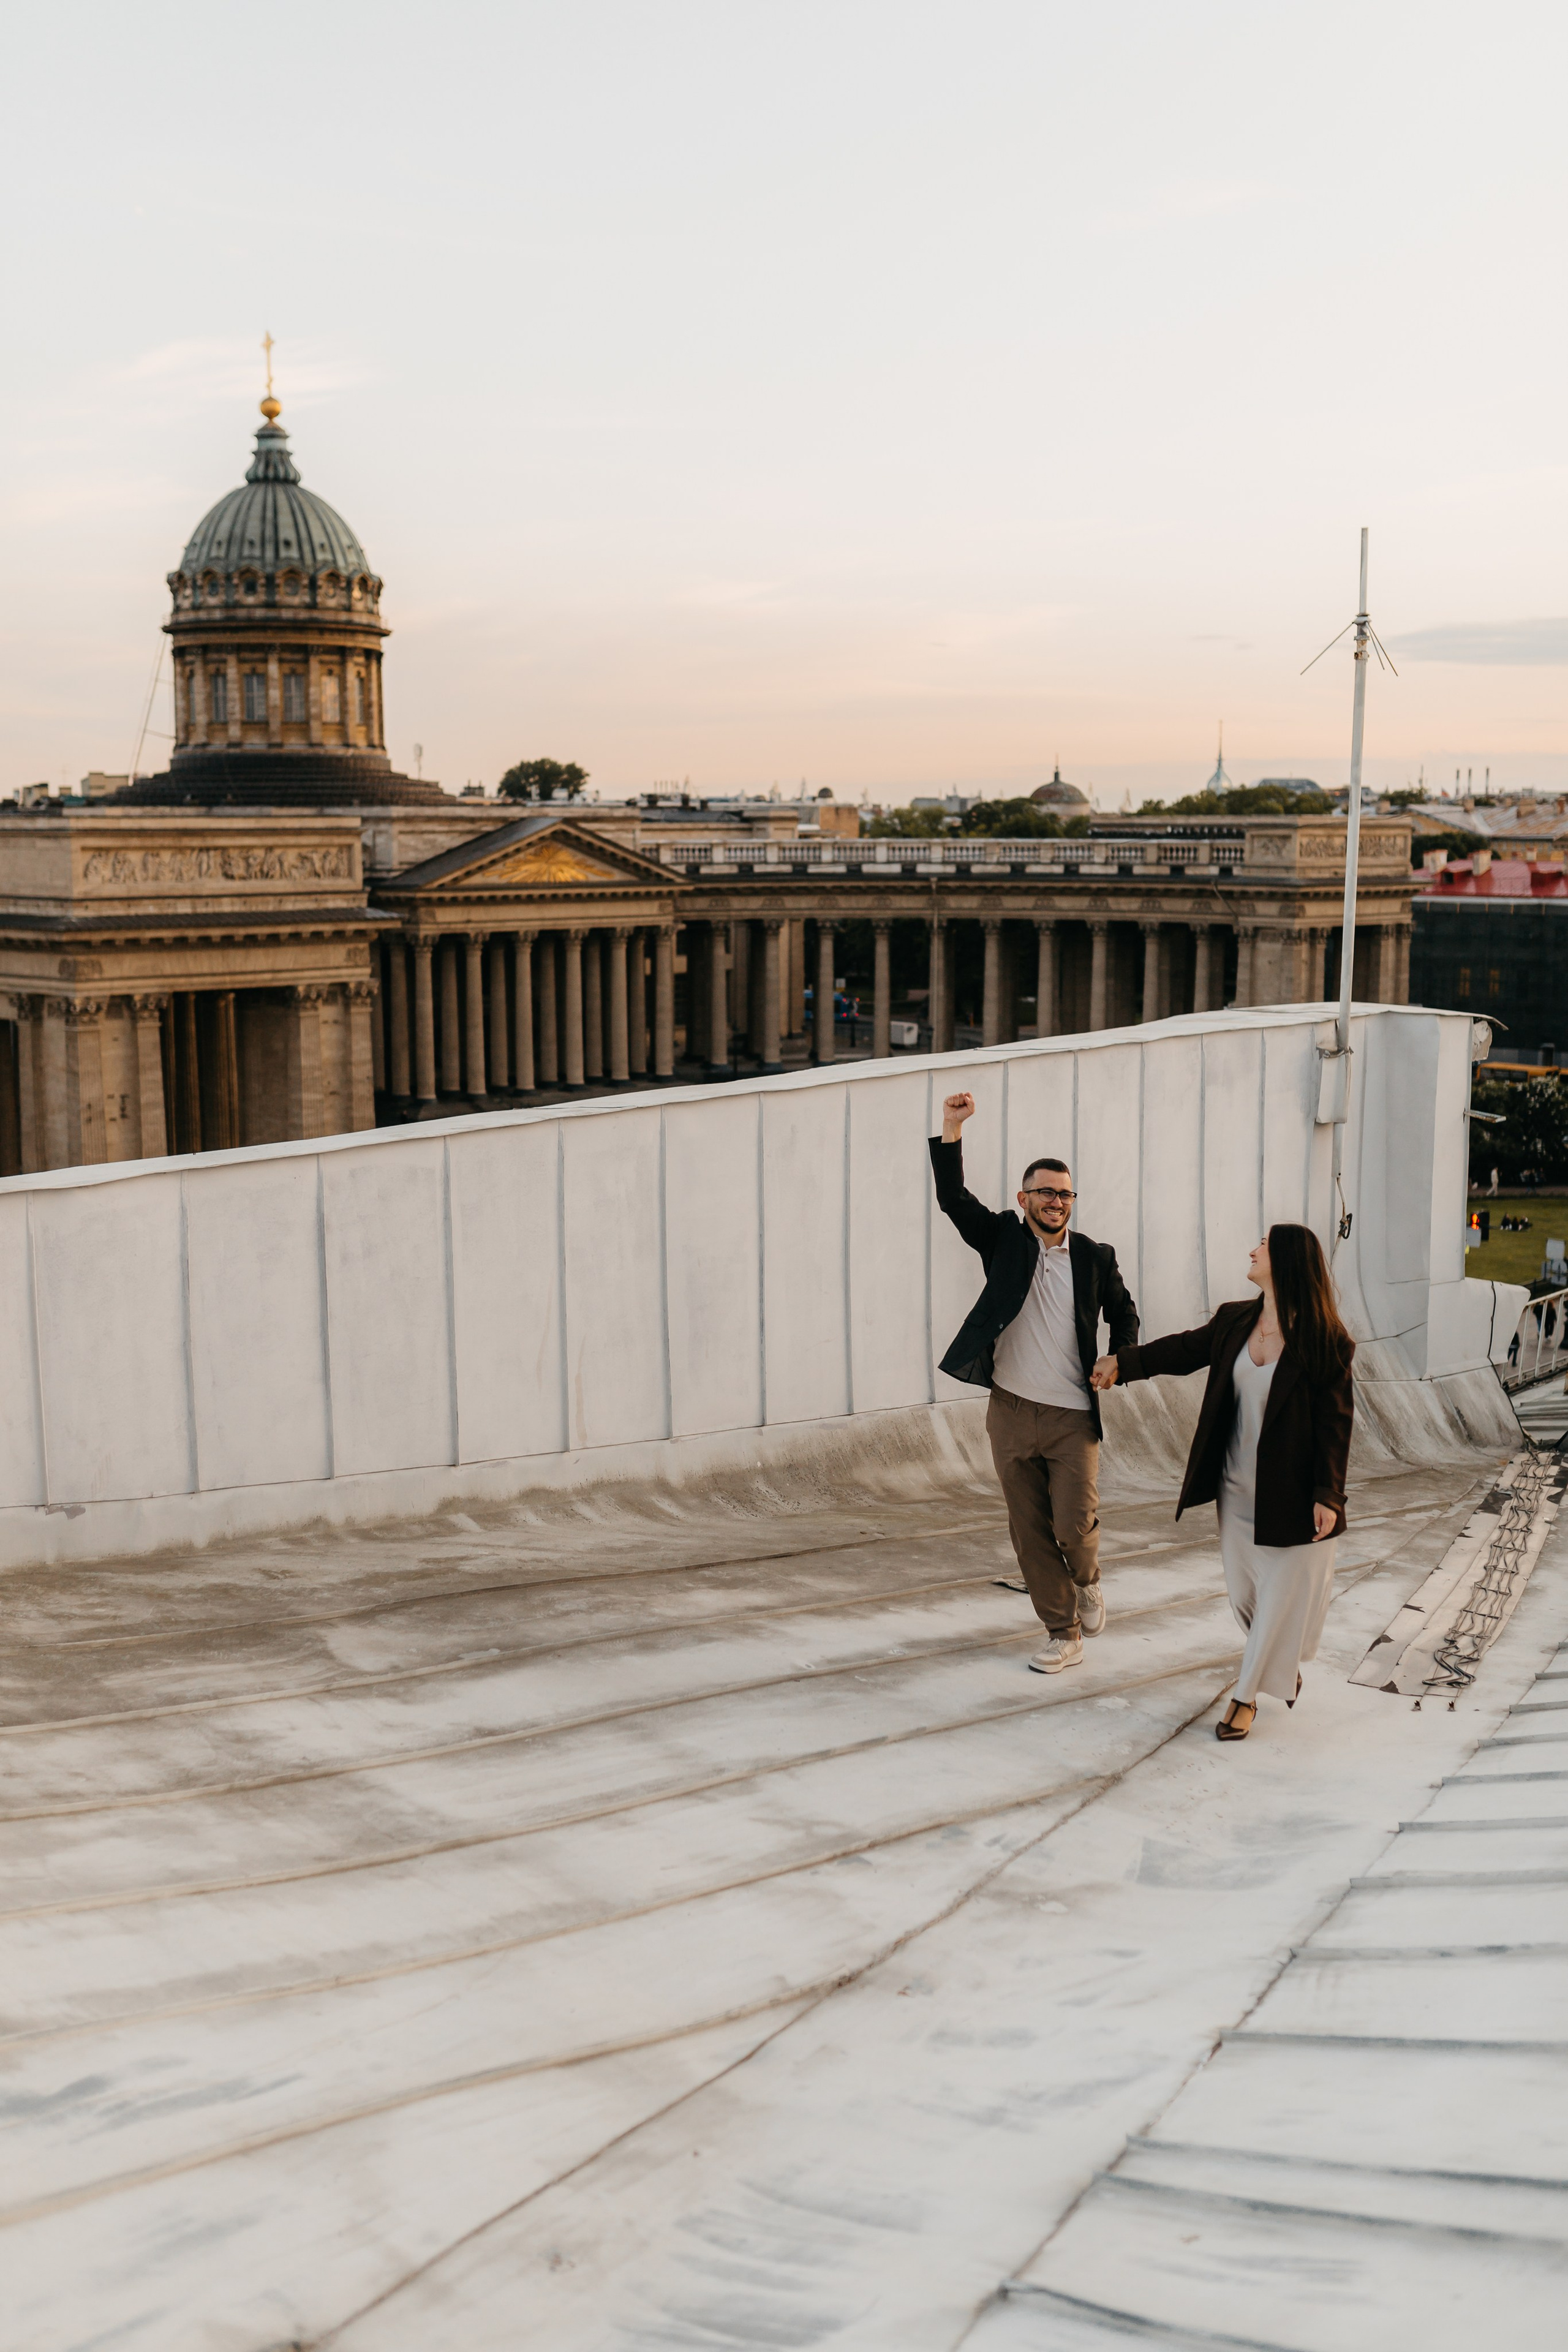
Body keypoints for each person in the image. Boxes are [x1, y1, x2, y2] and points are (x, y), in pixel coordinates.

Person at [1091, 1224, 1353, 1741]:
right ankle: (1277, 1664)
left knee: (1279, 1599)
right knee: (1246, 1599)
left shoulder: (1326, 1340)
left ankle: (1245, 1697)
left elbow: (1335, 1423)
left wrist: (1329, 1494)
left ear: (1284, 1260)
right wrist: (1125, 1363)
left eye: (1263, 1245)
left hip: (1296, 1497)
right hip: (1235, 1489)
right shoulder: (1238, 1319)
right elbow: (1185, 1350)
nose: (1253, 1250)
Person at [929, 1091, 1139, 1676]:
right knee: (1029, 1530)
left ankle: (1089, 1581)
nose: (1057, 1200)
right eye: (1045, 1191)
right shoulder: (1002, 1239)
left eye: (1065, 1192)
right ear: (1024, 1199)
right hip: (1012, 1411)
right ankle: (1061, 1632)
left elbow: (1125, 1315)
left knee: (1073, 1526)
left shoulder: (1095, 1258)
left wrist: (1120, 1358)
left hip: (1073, 1416)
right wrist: (952, 1126)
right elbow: (952, 1198)